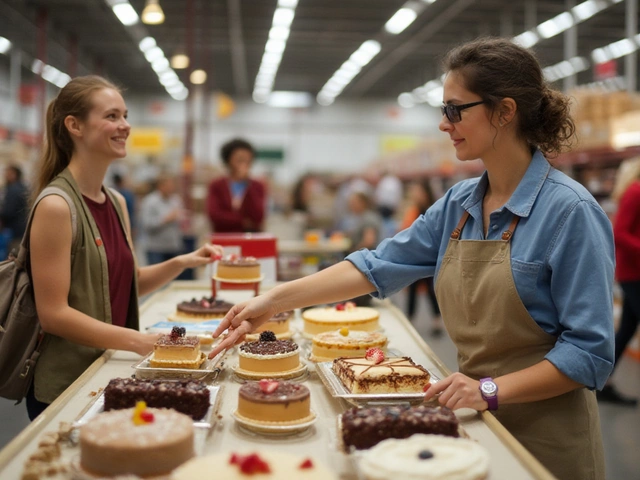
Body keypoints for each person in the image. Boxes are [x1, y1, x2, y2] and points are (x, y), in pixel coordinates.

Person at [210, 38, 614, 480]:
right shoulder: (459, 204)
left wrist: (491, 389)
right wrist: (273, 300)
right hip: (475, 418)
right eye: (444, 110)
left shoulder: (570, 212)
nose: (445, 124)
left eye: (455, 109)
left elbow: (590, 353)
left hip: (547, 440)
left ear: (505, 111)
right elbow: (375, 265)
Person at [28, 75, 223, 420]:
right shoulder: (57, 206)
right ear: (74, 125)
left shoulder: (115, 202)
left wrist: (181, 262)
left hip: (109, 370)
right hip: (68, 385)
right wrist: (137, 341)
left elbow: (126, 283)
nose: (125, 126)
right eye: (112, 116)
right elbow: (53, 314)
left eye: (125, 115)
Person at [598, 158, 640, 406]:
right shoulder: (635, 192)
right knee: (626, 329)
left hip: (631, 271)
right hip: (634, 273)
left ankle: (603, 380)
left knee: (626, 330)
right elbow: (620, 233)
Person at [401, 179, 442, 335]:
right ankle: (410, 320)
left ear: (426, 193)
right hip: (415, 255)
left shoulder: (433, 209)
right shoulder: (413, 209)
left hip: (430, 256)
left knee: (431, 290)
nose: (415, 194)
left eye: (418, 191)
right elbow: (406, 229)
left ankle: (436, 321)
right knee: (412, 289)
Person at [206, 138, 266, 233]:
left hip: (250, 237)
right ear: (228, 160)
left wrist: (248, 186)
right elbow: (215, 215)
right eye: (239, 159)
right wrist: (243, 221)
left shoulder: (257, 186)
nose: (244, 164)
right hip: (223, 238)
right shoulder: (217, 185)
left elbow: (258, 217)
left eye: (248, 160)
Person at [139, 175, 185, 267]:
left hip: (173, 247)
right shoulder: (150, 202)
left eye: (172, 185)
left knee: (174, 280)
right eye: (168, 185)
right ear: (160, 186)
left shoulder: (176, 200)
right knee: (157, 280)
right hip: (156, 249)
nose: (171, 188)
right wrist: (166, 219)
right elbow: (147, 225)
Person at [0, 164, 29, 254]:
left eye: (8, 173)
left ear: (14, 174)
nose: (5, 175)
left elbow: (8, 211)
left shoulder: (13, 189)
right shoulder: (22, 187)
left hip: (14, 230)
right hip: (22, 228)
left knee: (13, 256)